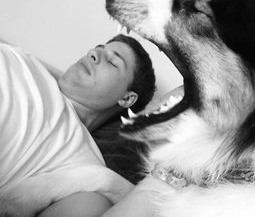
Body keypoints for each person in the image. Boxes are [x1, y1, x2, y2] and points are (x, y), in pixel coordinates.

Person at [0, 34, 156, 217]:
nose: (94, 53)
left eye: (112, 62)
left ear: (126, 98)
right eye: (99, 47)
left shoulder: (83, 169)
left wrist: (108, 181)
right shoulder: (24, 60)